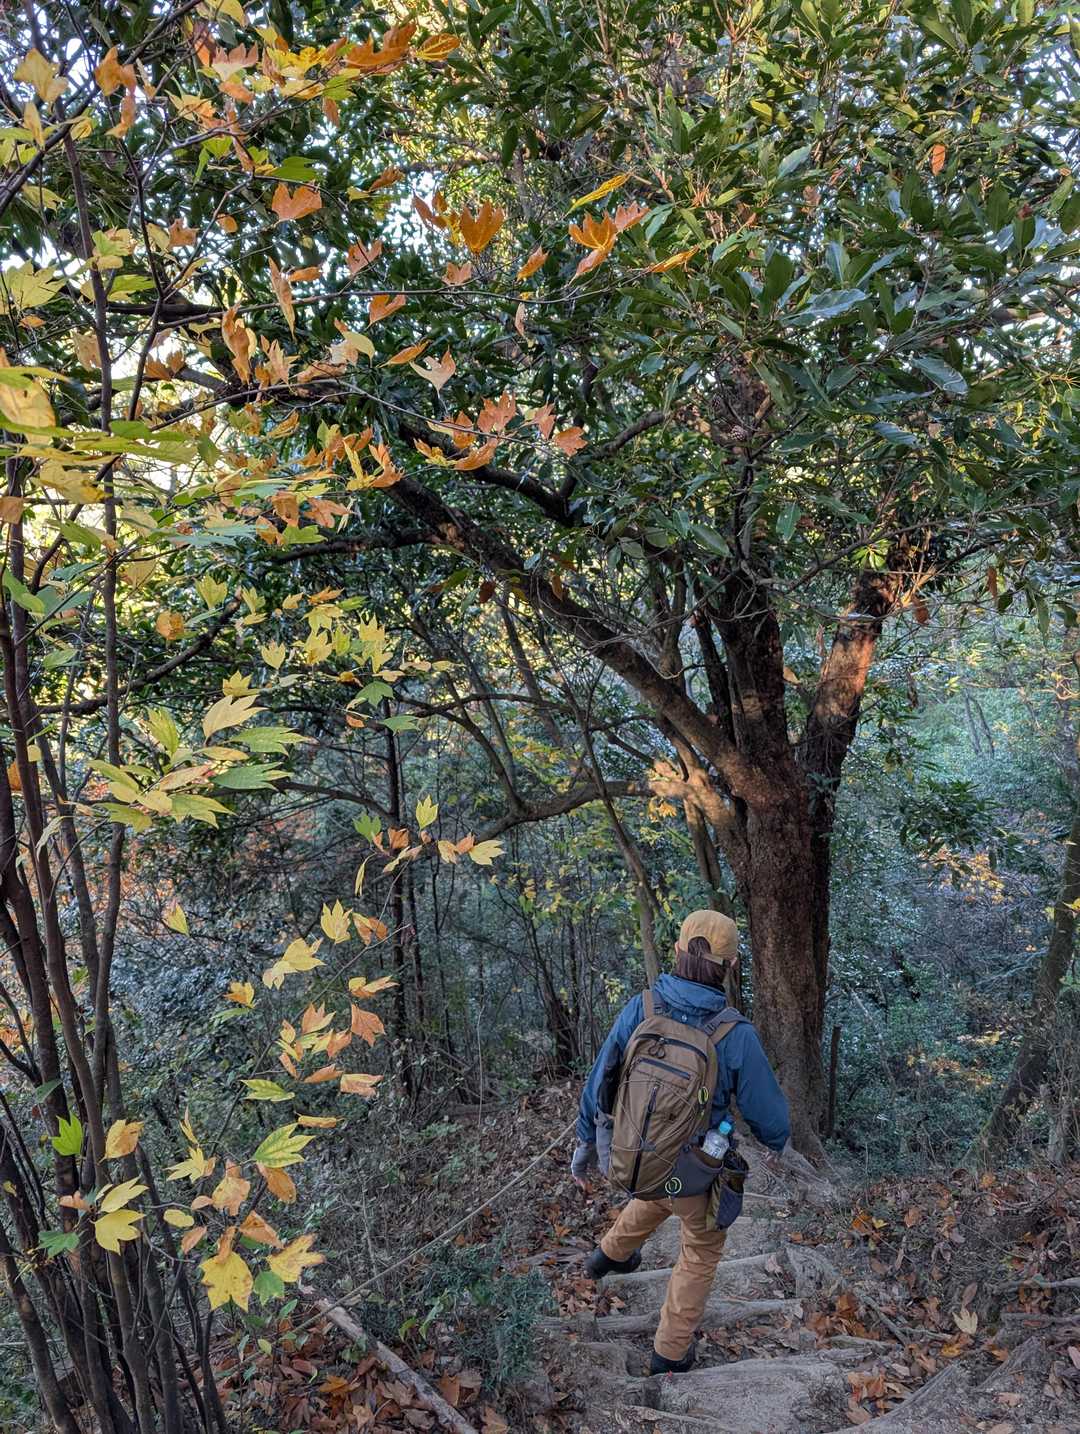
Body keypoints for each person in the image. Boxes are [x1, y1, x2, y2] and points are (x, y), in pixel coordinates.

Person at [570, 910, 790, 1374]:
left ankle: (605, 1257)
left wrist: (585, 1142)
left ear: (677, 950)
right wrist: (776, 1142)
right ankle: (669, 1354)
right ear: (731, 966)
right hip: (696, 1170)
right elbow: (768, 1116)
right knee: (700, 1252)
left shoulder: (643, 1008)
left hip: (635, 1158)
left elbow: (601, 1078)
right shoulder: (735, 1033)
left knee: (656, 1194)